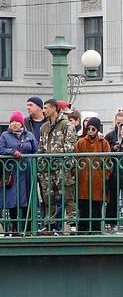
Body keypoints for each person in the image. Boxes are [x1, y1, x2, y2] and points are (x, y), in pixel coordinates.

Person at [37, 98, 77, 235]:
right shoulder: (44, 127)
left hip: (62, 167)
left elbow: (70, 147)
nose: (44, 110)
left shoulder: (66, 125)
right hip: (47, 168)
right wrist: (41, 164)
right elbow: (41, 147)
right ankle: (50, 225)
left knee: (67, 194)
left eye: (46, 107)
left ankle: (72, 224)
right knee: (49, 196)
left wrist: (65, 164)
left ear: (54, 108)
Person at [0, 111, 37, 235]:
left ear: (22, 123)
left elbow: (35, 149)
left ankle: (29, 228)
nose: (14, 124)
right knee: (12, 200)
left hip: (27, 171)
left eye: (17, 121)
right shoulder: (5, 135)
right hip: (12, 172)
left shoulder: (29, 135)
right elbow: (1, 148)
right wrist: (12, 151)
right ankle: (15, 228)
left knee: (28, 198)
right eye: (12, 122)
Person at [73, 116, 111, 233]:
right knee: (83, 208)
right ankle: (82, 231)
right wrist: (76, 173)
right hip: (83, 180)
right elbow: (75, 160)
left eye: (93, 129)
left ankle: (96, 230)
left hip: (97, 181)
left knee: (96, 209)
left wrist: (105, 176)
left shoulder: (103, 143)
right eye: (88, 128)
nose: (90, 131)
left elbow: (108, 161)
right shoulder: (80, 142)